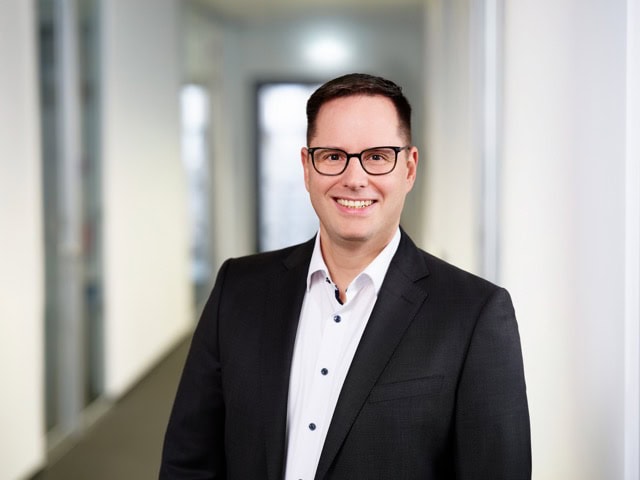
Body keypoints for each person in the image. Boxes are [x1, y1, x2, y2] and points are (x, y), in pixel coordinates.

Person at [159, 73, 531, 480]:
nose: (354, 179)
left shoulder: (474, 314)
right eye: (333, 156)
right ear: (307, 168)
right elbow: (188, 462)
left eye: (378, 156)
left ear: (409, 168)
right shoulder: (238, 289)